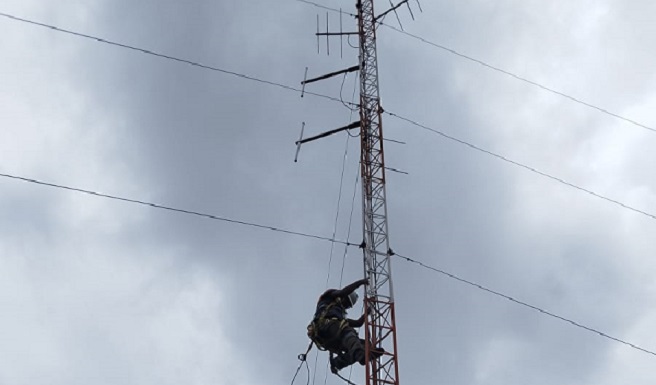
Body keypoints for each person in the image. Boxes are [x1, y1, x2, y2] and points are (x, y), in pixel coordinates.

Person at [307, 278, 382, 373]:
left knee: (363, 345)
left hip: (329, 339)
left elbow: (358, 323)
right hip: (324, 327)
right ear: (343, 297)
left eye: (348, 306)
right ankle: (359, 354)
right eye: (346, 303)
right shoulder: (329, 297)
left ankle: (338, 363)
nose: (345, 306)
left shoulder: (339, 317)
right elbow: (344, 291)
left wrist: (367, 312)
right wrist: (360, 282)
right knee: (348, 332)